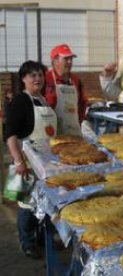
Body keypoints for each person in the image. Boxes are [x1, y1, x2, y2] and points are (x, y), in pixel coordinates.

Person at [4, 60, 57, 259]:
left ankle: (42, 240)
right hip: (25, 162)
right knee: (25, 205)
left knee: (43, 204)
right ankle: (27, 243)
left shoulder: (42, 100)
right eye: (32, 75)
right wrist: (18, 162)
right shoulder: (20, 100)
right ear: (24, 79)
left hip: (45, 163)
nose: (37, 79)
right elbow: (10, 134)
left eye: (40, 75)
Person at [43, 43, 88, 135]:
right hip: (51, 133)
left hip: (74, 132)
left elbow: (82, 103)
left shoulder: (76, 80)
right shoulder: (46, 79)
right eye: (66, 59)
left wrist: (79, 122)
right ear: (54, 60)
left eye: (71, 59)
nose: (70, 62)